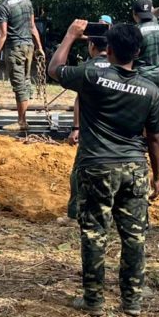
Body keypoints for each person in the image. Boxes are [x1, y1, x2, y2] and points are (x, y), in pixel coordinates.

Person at [49, 20, 159, 317]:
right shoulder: (150, 91)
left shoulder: (91, 75)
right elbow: (155, 139)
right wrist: (158, 176)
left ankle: (94, 301)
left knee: (94, 234)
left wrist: (70, 35)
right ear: (137, 51)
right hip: (134, 168)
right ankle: (132, 301)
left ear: (108, 49)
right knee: (134, 236)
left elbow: (54, 70)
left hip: (97, 166)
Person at [62, 34, 110, 223]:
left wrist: (76, 127)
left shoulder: (85, 71)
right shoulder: (124, 71)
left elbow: (54, 70)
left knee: (79, 173)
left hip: (91, 136)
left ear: (91, 46)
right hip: (118, 137)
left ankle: (75, 213)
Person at [0, 0, 45, 131]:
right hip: (29, 47)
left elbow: (3, 34)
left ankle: (22, 122)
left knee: (19, 85)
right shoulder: (26, 1)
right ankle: (23, 119)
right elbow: (33, 27)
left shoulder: (3, 6)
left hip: (15, 48)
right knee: (26, 82)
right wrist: (39, 47)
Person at [132, 0, 159, 89]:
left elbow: (130, 57)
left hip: (139, 78)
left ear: (134, 14)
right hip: (158, 78)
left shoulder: (135, 31)